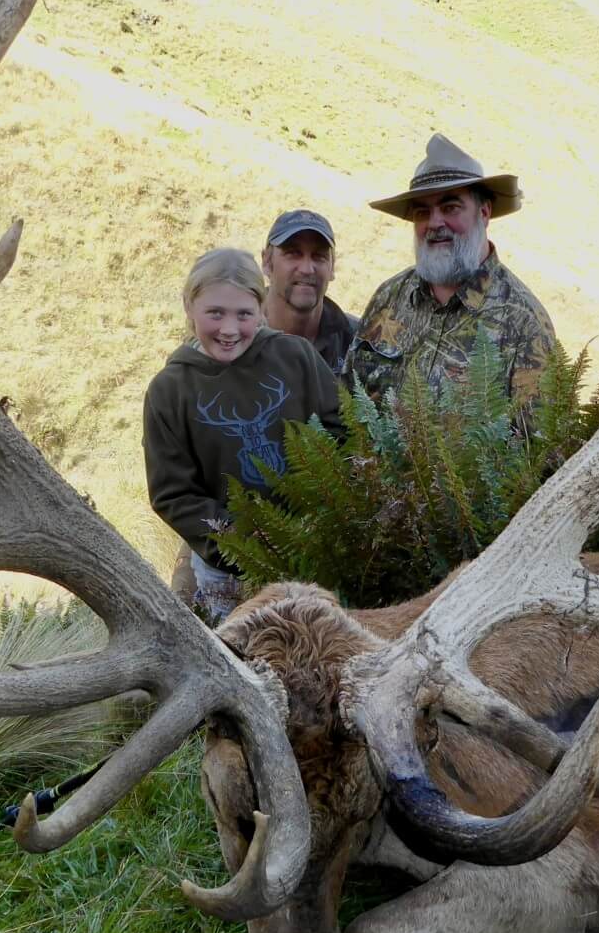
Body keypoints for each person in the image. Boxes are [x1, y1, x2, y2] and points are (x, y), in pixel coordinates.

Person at [144, 247, 344, 622]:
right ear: (189, 306)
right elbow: (173, 494)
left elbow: (340, 431)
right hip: (227, 574)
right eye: (215, 313)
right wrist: (240, 540)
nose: (230, 329)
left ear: (263, 307)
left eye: (244, 314)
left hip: (315, 554)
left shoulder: (296, 357)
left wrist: (322, 516)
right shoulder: (169, 390)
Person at [348, 133, 557, 405]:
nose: (435, 223)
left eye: (450, 208)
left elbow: (539, 444)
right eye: (422, 212)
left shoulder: (524, 324)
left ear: (483, 213)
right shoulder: (388, 298)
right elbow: (348, 406)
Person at [260, 208, 359, 376]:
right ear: (267, 263)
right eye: (293, 253)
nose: (307, 269)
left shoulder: (356, 341)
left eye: (318, 255)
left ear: (332, 267)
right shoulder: (234, 336)